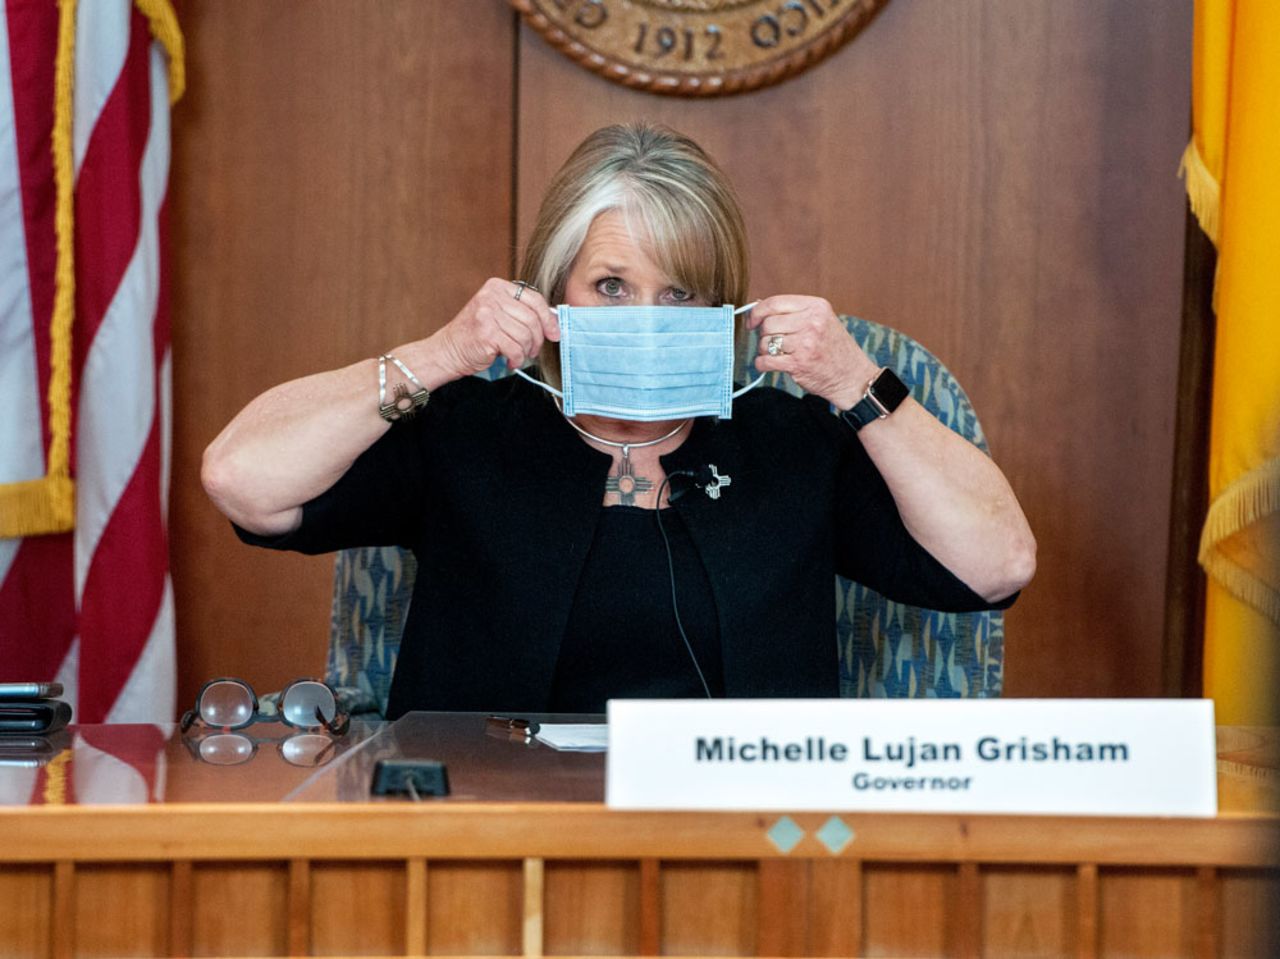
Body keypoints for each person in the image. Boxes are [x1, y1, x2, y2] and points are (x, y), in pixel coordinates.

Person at [203, 123, 1035, 717]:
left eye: (679, 294)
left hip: (752, 844)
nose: (644, 315)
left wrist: (855, 380)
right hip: (485, 844)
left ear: (723, 307)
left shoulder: (791, 442)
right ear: (551, 290)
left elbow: (996, 563)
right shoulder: (466, 431)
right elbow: (242, 480)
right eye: (610, 286)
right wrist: (440, 354)